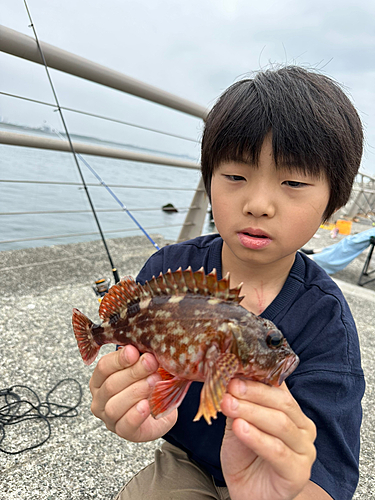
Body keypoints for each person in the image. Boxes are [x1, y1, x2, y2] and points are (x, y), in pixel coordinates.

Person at [89, 66, 365, 500]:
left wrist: (285, 491)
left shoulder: (328, 324)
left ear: (333, 200)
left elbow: (330, 473)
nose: (257, 204)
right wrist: (124, 403)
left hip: (283, 479)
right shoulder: (166, 268)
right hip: (185, 459)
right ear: (209, 177)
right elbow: (144, 373)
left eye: (292, 182)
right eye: (235, 176)